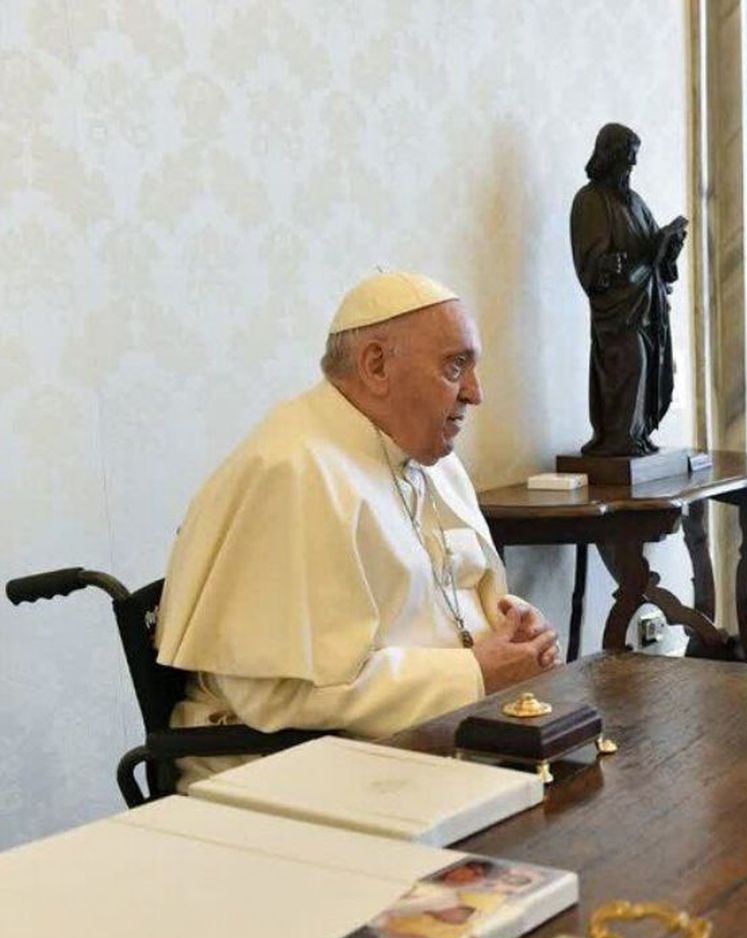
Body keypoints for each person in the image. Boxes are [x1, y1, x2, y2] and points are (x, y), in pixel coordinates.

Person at [155, 271, 561, 786]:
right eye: (455, 366)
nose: (475, 393)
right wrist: (477, 672)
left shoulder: (428, 459)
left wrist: (513, 633)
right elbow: (276, 697)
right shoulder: (294, 472)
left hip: (427, 741)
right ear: (376, 365)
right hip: (289, 770)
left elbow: (445, 597)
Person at [570, 122, 686, 457]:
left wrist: (669, 248)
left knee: (651, 370)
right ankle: (619, 438)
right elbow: (590, 264)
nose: (633, 164)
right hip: (619, 312)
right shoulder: (590, 200)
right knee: (630, 364)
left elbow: (654, 252)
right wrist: (610, 265)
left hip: (648, 304)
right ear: (609, 156)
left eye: (635, 157)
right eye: (627, 156)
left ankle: (638, 435)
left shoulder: (636, 203)